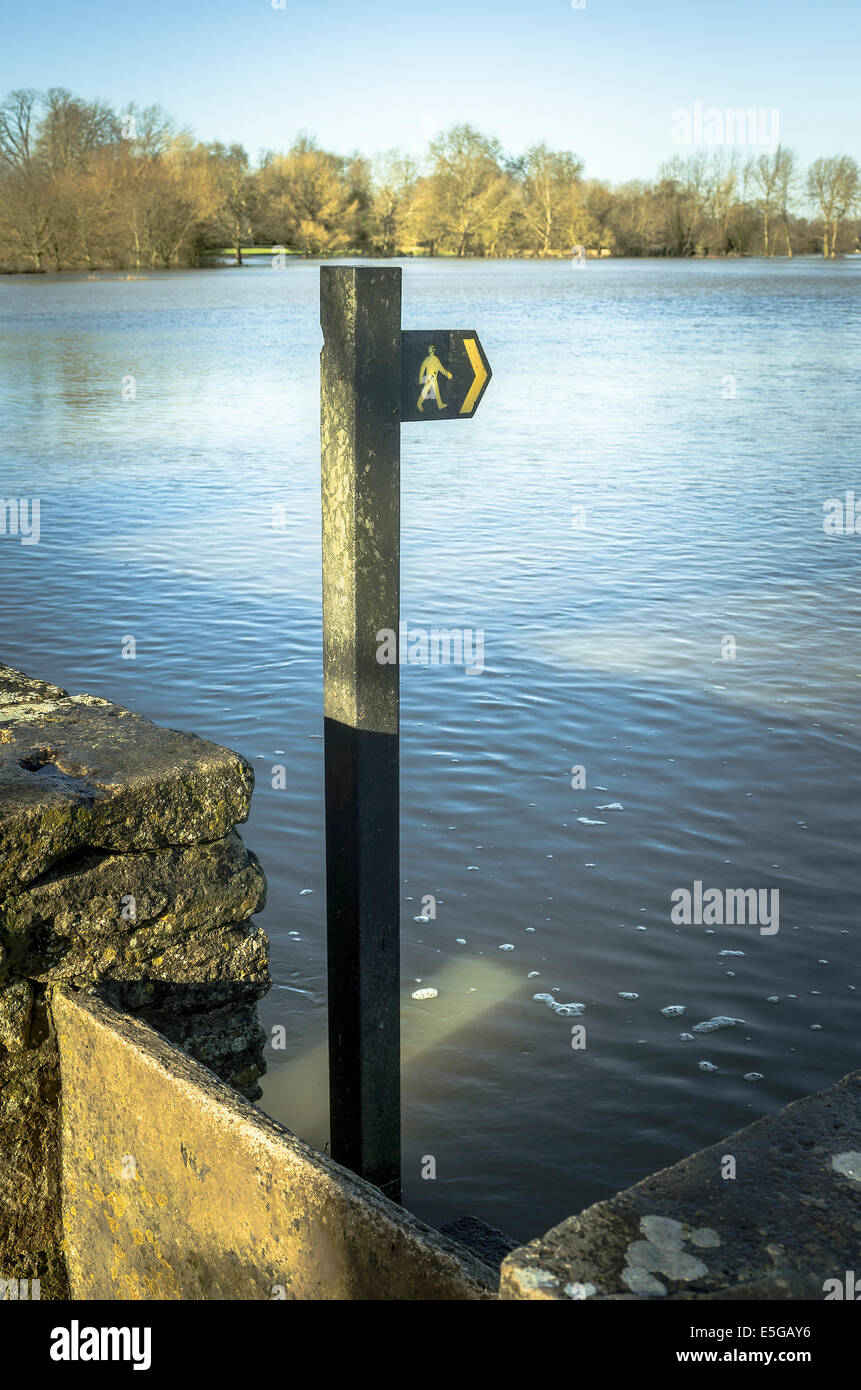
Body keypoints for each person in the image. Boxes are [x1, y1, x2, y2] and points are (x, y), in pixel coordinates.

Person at [417, 344, 452, 412]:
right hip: (430, 378)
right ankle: (419, 404)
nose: (432, 350)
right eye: (431, 348)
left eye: (433, 348)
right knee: (426, 390)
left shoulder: (435, 359)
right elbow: (422, 368)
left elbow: (441, 368)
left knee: (436, 391)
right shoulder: (428, 359)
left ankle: (439, 404)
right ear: (429, 350)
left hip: (433, 378)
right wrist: (420, 378)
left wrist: (447, 374)